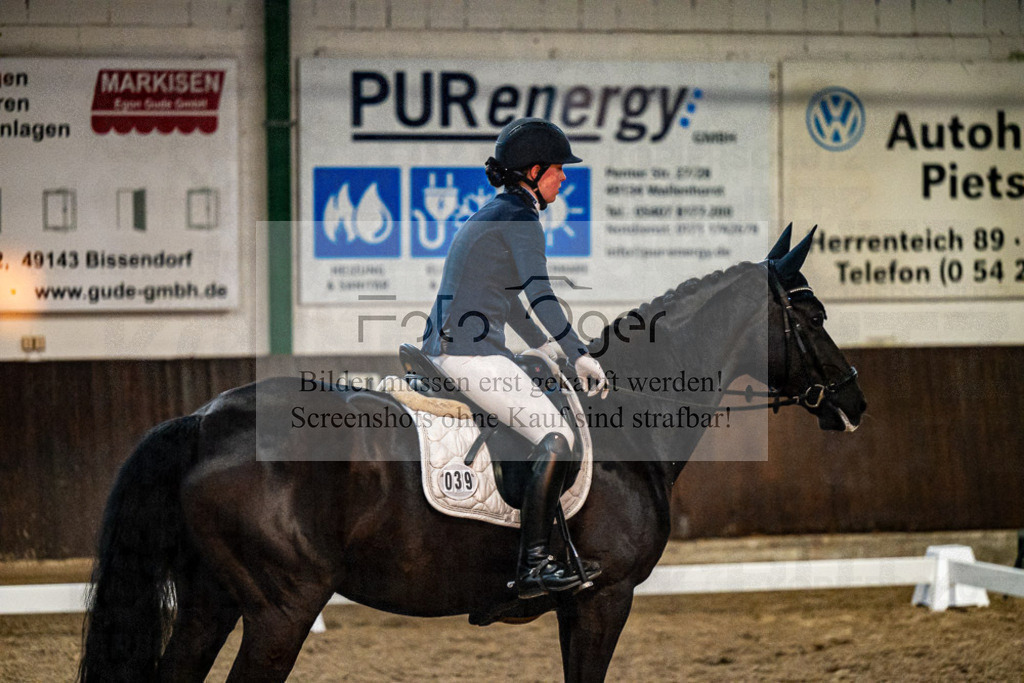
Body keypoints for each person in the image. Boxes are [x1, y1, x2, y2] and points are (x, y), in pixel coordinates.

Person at [422, 117, 607, 599]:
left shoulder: (496, 213)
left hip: (454, 345)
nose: (564, 178)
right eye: (558, 170)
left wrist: (542, 345)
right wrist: (578, 352)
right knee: (556, 435)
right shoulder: (521, 219)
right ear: (533, 170)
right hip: (467, 353)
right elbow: (541, 295)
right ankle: (534, 565)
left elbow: (508, 299)